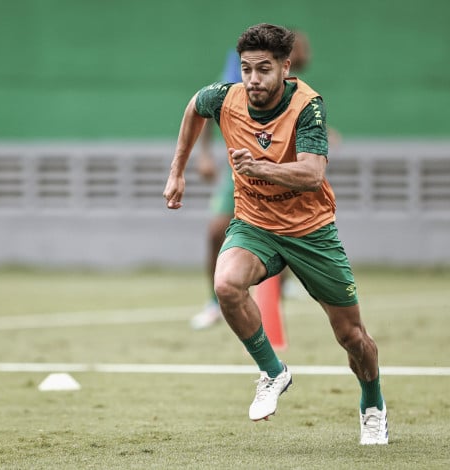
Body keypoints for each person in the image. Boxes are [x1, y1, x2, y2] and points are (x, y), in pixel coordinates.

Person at [163, 23, 388, 445]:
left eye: (263, 69)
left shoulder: (308, 107)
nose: (253, 79)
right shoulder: (225, 97)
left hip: (311, 231)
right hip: (256, 224)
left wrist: (260, 167)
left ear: (285, 68)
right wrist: (177, 172)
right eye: (246, 69)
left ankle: (373, 404)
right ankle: (272, 371)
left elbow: (312, 173)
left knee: (351, 336)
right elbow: (194, 106)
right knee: (226, 285)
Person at [190, 30, 312, 330]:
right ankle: (215, 302)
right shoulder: (244, 72)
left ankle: (281, 288)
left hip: (280, 169)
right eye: (301, 50)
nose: (304, 57)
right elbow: (205, 108)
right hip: (242, 167)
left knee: (284, 229)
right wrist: (203, 156)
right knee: (217, 232)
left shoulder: (296, 89)